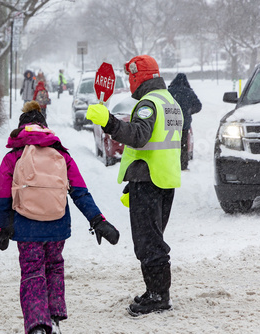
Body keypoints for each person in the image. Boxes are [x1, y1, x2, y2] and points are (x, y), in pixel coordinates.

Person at [0, 101, 119, 334]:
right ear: (44, 128)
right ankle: (54, 318)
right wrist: (98, 220)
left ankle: (38, 325)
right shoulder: (60, 154)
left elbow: (1, 196)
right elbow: (80, 191)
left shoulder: (13, 156)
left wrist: (3, 229)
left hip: (26, 227)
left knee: (32, 272)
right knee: (54, 267)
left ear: (22, 130)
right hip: (56, 225)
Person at [86, 55, 183, 316]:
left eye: (131, 76)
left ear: (138, 76)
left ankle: (158, 296)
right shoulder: (170, 101)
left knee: (148, 243)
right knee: (153, 239)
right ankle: (156, 290)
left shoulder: (148, 103)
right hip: (163, 180)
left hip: (149, 182)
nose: (129, 81)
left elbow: (139, 136)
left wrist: (109, 122)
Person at [168, 73, 202, 170]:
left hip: (170, 123)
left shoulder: (169, 92)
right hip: (184, 123)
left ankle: (171, 164)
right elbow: (198, 106)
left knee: (171, 144)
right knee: (183, 144)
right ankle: (183, 165)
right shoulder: (189, 92)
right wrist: (189, 111)